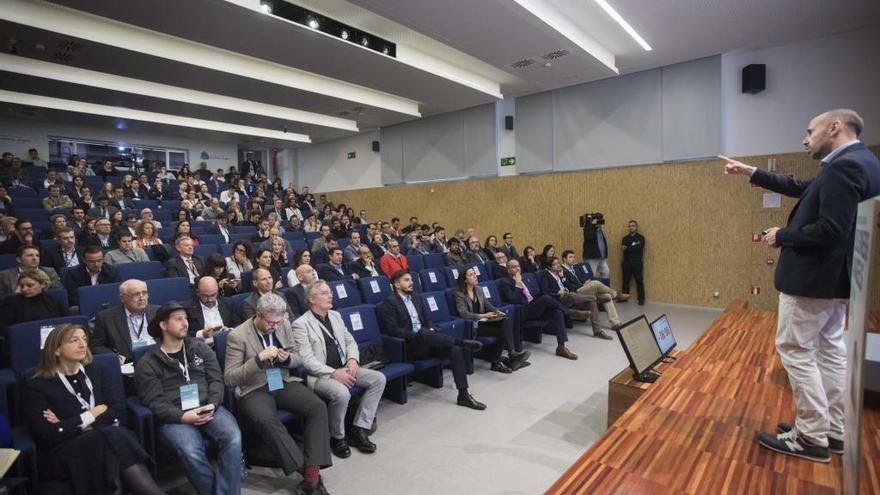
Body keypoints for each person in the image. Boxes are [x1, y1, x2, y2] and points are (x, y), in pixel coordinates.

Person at [722, 108, 880, 463]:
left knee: (795, 349)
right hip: (835, 281)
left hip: (813, 279)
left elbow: (831, 229)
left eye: (811, 131)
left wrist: (783, 235)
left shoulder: (845, 167)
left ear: (835, 127)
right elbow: (800, 188)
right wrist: (752, 172)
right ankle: (833, 431)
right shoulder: (863, 162)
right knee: (829, 351)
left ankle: (810, 436)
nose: (805, 139)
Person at [22, 324, 162, 495]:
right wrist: (92, 414)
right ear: (56, 350)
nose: (82, 344)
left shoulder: (99, 371)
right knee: (112, 437)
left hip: (103, 441)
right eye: (74, 340)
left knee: (107, 442)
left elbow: (117, 411)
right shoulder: (37, 385)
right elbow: (48, 435)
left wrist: (70, 424)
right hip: (64, 453)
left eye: (84, 339)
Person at [225, 293, 331, 494]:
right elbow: (230, 377)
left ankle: (311, 478)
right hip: (254, 389)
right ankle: (309, 474)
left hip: (281, 381)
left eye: (278, 322)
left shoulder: (284, 325)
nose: (275, 326)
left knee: (317, 407)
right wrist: (257, 360)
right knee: (266, 420)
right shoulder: (237, 335)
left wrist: (287, 359)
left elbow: (299, 357)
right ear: (258, 315)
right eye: (271, 323)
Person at [135, 302, 242, 495]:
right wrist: (183, 417)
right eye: (178, 319)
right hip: (175, 416)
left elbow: (216, 379)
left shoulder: (199, 348)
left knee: (233, 437)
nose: (185, 323)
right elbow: (154, 402)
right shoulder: (148, 362)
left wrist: (213, 403)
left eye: (185, 318)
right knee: (190, 450)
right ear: (163, 325)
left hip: (208, 406)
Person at [378, 270, 486, 410]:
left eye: (411, 279)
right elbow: (392, 330)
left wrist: (430, 329)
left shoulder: (416, 297)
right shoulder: (389, 303)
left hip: (428, 340)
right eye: (407, 280)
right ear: (397, 284)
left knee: (454, 350)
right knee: (423, 332)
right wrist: (417, 334)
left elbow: (427, 319)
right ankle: (462, 341)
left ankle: (463, 395)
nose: (411, 282)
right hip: (411, 346)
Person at [453, 268, 530, 373]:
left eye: (474, 273)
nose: (475, 276)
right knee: (502, 331)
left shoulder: (479, 289)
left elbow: (487, 305)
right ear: (465, 280)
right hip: (472, 326)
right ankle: (498, 361)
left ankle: (510, 354)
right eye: (471, 275)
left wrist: (498, 312)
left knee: (504, 320)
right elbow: (464, 313)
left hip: (483, 322)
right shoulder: (459, 293)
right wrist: (483, 315)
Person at [498, 259, 578, 360]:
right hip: (523, 312)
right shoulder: (505, 282)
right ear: (508, 270)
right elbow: (513, 299)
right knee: (545, 298)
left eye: (518, 265)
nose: (517, 268)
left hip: (533, 307)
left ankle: (561, 347)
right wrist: (518, 284)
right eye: (514, 267)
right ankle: (569, 312)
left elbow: (531, 296)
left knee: (556, 311)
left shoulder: (523, 278)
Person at [91, 279, 159, 366]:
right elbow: (96, 346)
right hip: (128, 363)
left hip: (156, 358)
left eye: (144, 293)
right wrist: (115, 357)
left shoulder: (157, 312)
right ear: (123, 298)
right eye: (136, 294)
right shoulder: (106, 317)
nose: (142, 298)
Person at [0, 269, 67, 332]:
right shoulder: (11, 301)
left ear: (43, 284)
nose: (24, 289)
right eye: (22, 286)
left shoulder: (54, 300)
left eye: (29, 285)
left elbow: (66, 323)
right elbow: (5, 328)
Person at [187, 276, 239, 340]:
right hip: (204, 345)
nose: (210, 300)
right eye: (205, 296)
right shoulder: (189, 309)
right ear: (198, 293)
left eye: (213, 295)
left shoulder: (228, 303)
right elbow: (185, 334)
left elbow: (239, 325)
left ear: (217, 291)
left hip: (227, 341)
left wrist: (229, 330)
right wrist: (201, 334)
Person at [620, 220, 646, 305]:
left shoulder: (641, 238)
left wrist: (628, 248)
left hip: (637, 262)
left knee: (639, 281)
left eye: (633, 226)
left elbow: (638, 248)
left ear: (636, 227)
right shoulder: (625, 238)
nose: (631, 227)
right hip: (627, 262)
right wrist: (632, 247)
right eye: (630, 226)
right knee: (625, 281)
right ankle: (624, 298)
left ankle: (641, 299)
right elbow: (623, 249)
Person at [582, 214, 610, 279]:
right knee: (590, 276)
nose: (599, 223)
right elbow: (588, 237)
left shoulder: (599, 230)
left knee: (606, 272)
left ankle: (600, 287)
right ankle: (591, 289)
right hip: (592, 257)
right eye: (598, 221)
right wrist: (593, 226)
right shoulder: (588, 228)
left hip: (601, 257)